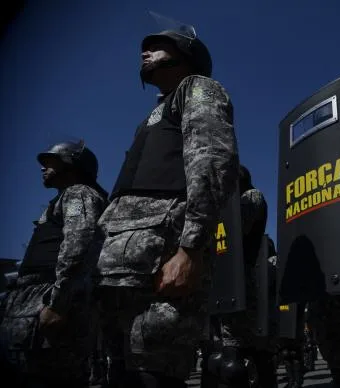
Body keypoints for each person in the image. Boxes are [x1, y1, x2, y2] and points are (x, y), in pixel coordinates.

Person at [95, 14, 239, 388]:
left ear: (186, 54)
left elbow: (210, 162)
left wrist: (190, 249)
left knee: (154, 373)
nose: (145, 51)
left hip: (163, 261)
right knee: (123, 373)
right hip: (121, 266)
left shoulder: (198, 88)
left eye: (158, 45)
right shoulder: (151, 115)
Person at [0, 141, 108, 387]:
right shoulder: (61, 200)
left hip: (48, 301)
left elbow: (78, 247)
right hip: (30, 306)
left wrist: (58, 304)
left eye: (51, 161)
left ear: (72, 164)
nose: (43, 168)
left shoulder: (78, 193)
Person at [210, 165, 272, 388]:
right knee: (221, 352)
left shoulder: (252, 196)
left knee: (239, 353)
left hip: (241, 283)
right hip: (221, 282)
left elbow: (237, 226)